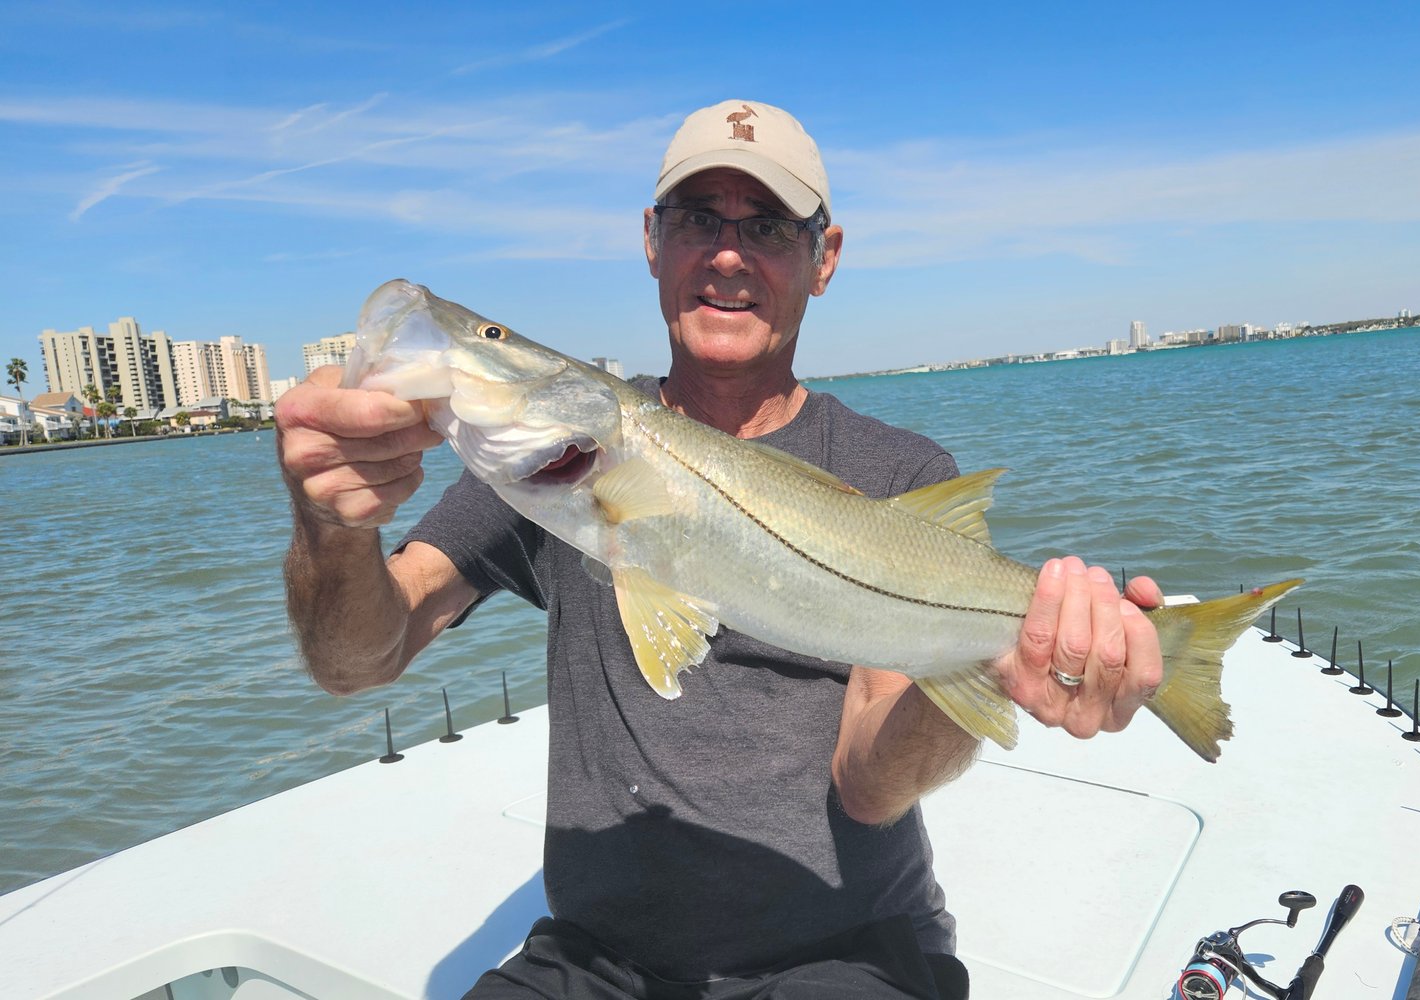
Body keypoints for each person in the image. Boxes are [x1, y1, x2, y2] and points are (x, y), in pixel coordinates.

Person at [277, 100, 1166, 1000]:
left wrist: (994, 664)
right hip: (597, 957)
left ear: (825, 259)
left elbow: (868, 785)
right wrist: (334, 522)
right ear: (653, 242)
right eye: (699, 218)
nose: (729, 254)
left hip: (847, 945)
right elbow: (358, 660)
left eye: (769, 225)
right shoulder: (534, 476)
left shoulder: (899, 473)